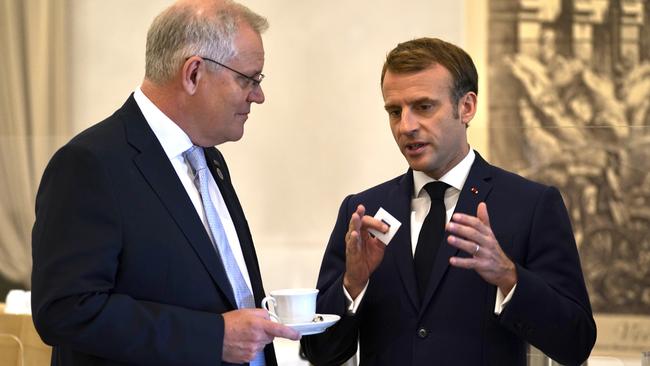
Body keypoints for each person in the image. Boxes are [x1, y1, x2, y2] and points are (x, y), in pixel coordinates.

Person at [31, 1, 300, 365]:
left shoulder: (210, 159)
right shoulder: (90, 164)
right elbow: (66, 310)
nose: (258, 95)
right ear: (193, 74)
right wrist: (213, 337)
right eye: (247, 79)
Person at [301, 38, 597, 365]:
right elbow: (319, 353)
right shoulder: (363, 212)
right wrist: (352, 285)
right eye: (394, 111)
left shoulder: (531, 206)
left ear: (466, 107)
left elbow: (576, 342)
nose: (406, 126)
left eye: (424, 107)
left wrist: (509, 277)